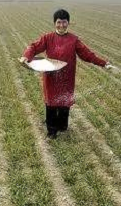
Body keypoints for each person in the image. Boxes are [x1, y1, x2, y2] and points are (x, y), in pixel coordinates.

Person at [19, 9, 112, 139]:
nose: (61, 25)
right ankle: (51, 131)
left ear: (68, 23)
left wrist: (104, 63)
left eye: (64, 22)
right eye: (58, 22)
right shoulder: (48, 38)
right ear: (54, 23)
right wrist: (26, 57)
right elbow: (33, 47)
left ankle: (62, 126)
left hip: (67, 77)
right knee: (51, 103)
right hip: (51, 77)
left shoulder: (74, 40)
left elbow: (87, 55)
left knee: (64, 101)